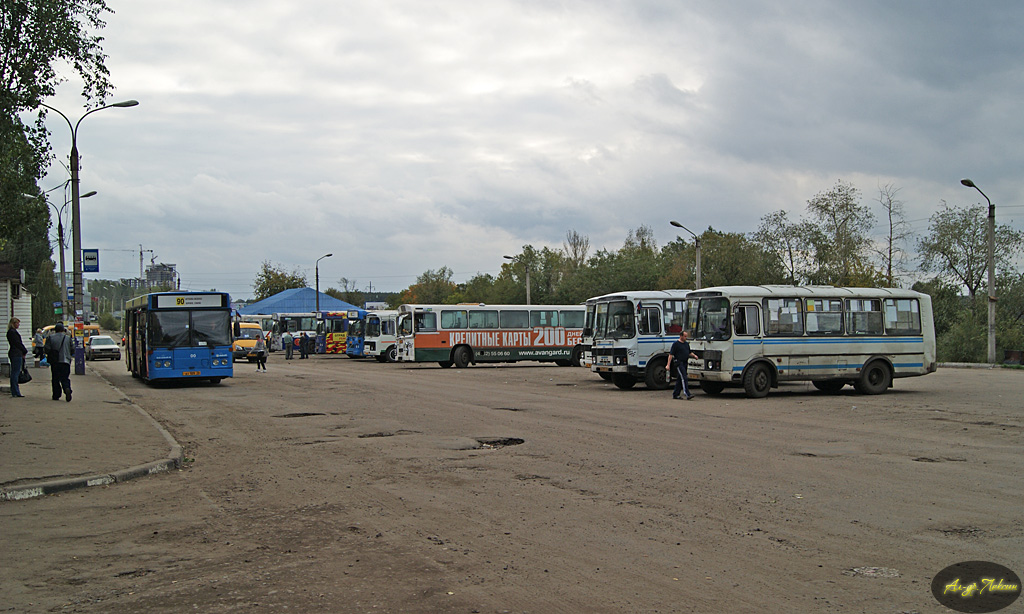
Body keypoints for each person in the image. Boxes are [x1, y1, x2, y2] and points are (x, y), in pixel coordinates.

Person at [43, 322, 74, 402]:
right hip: (66, 361)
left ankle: (56, 395)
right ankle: (67, 388)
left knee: (55, 378)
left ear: (55, 330)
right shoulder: (67, 338)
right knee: (65, 377)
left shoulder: (50, 338)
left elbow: (46, 349)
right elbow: (73, 349)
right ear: (63, 330)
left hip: (55, 361)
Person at [666, 330, 698, 400]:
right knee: (684, 377)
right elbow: (671, 355)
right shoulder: (676, 344)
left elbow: (689, 352)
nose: (686, 337)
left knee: (680, 379)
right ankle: (687, 393)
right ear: (681, 336)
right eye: (685, 336)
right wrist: (668, 365)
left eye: (686, 336)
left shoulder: (686, 344)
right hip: (679, 362)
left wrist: (694, 356)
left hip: (685, 362)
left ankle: (675, 394)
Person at [7, 317, 28, 397]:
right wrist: (24, 350)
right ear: (14, 323)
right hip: (16, 353)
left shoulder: (10, 332)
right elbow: (18, 343)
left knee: (14, 372)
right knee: (15, 372)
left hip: (13, 353)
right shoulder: (13, 333)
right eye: (17, 323)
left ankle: (15, 391)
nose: (18, 325)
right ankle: (16, 391)